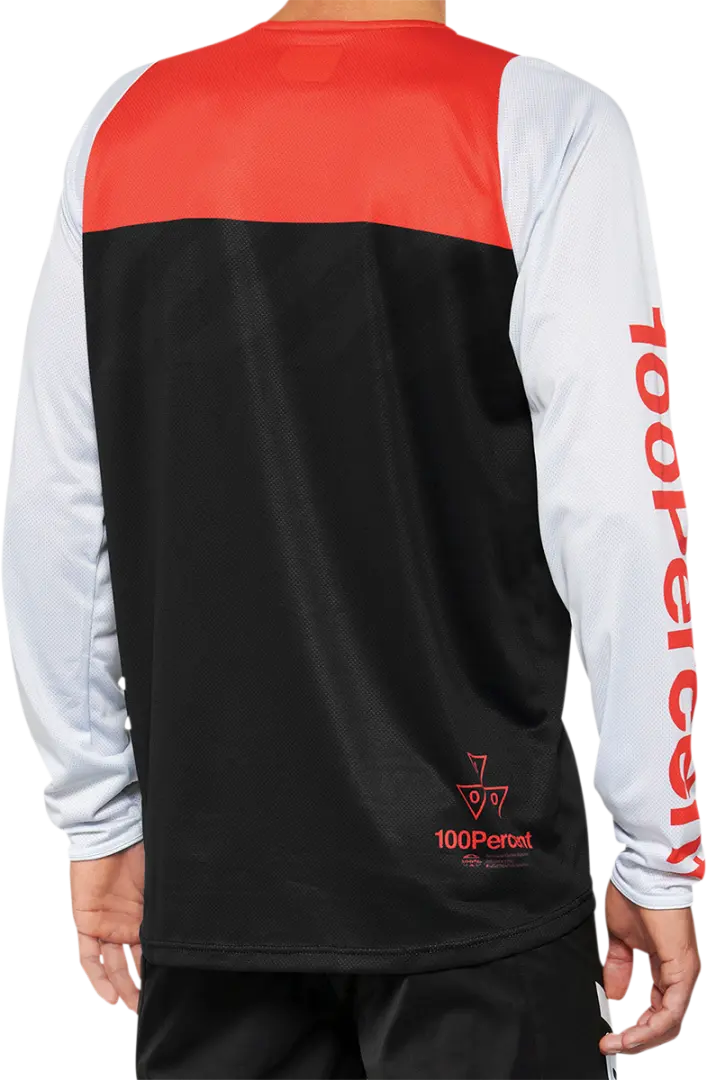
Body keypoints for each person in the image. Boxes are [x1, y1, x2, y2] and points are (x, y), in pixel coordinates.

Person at [1, 1, 703, 1076]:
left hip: (217, 879)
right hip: (479, 877)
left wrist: (94, 815)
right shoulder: (540, 122)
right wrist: (656, 853)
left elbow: (56, 499)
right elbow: (619, 508)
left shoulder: (129, 122)